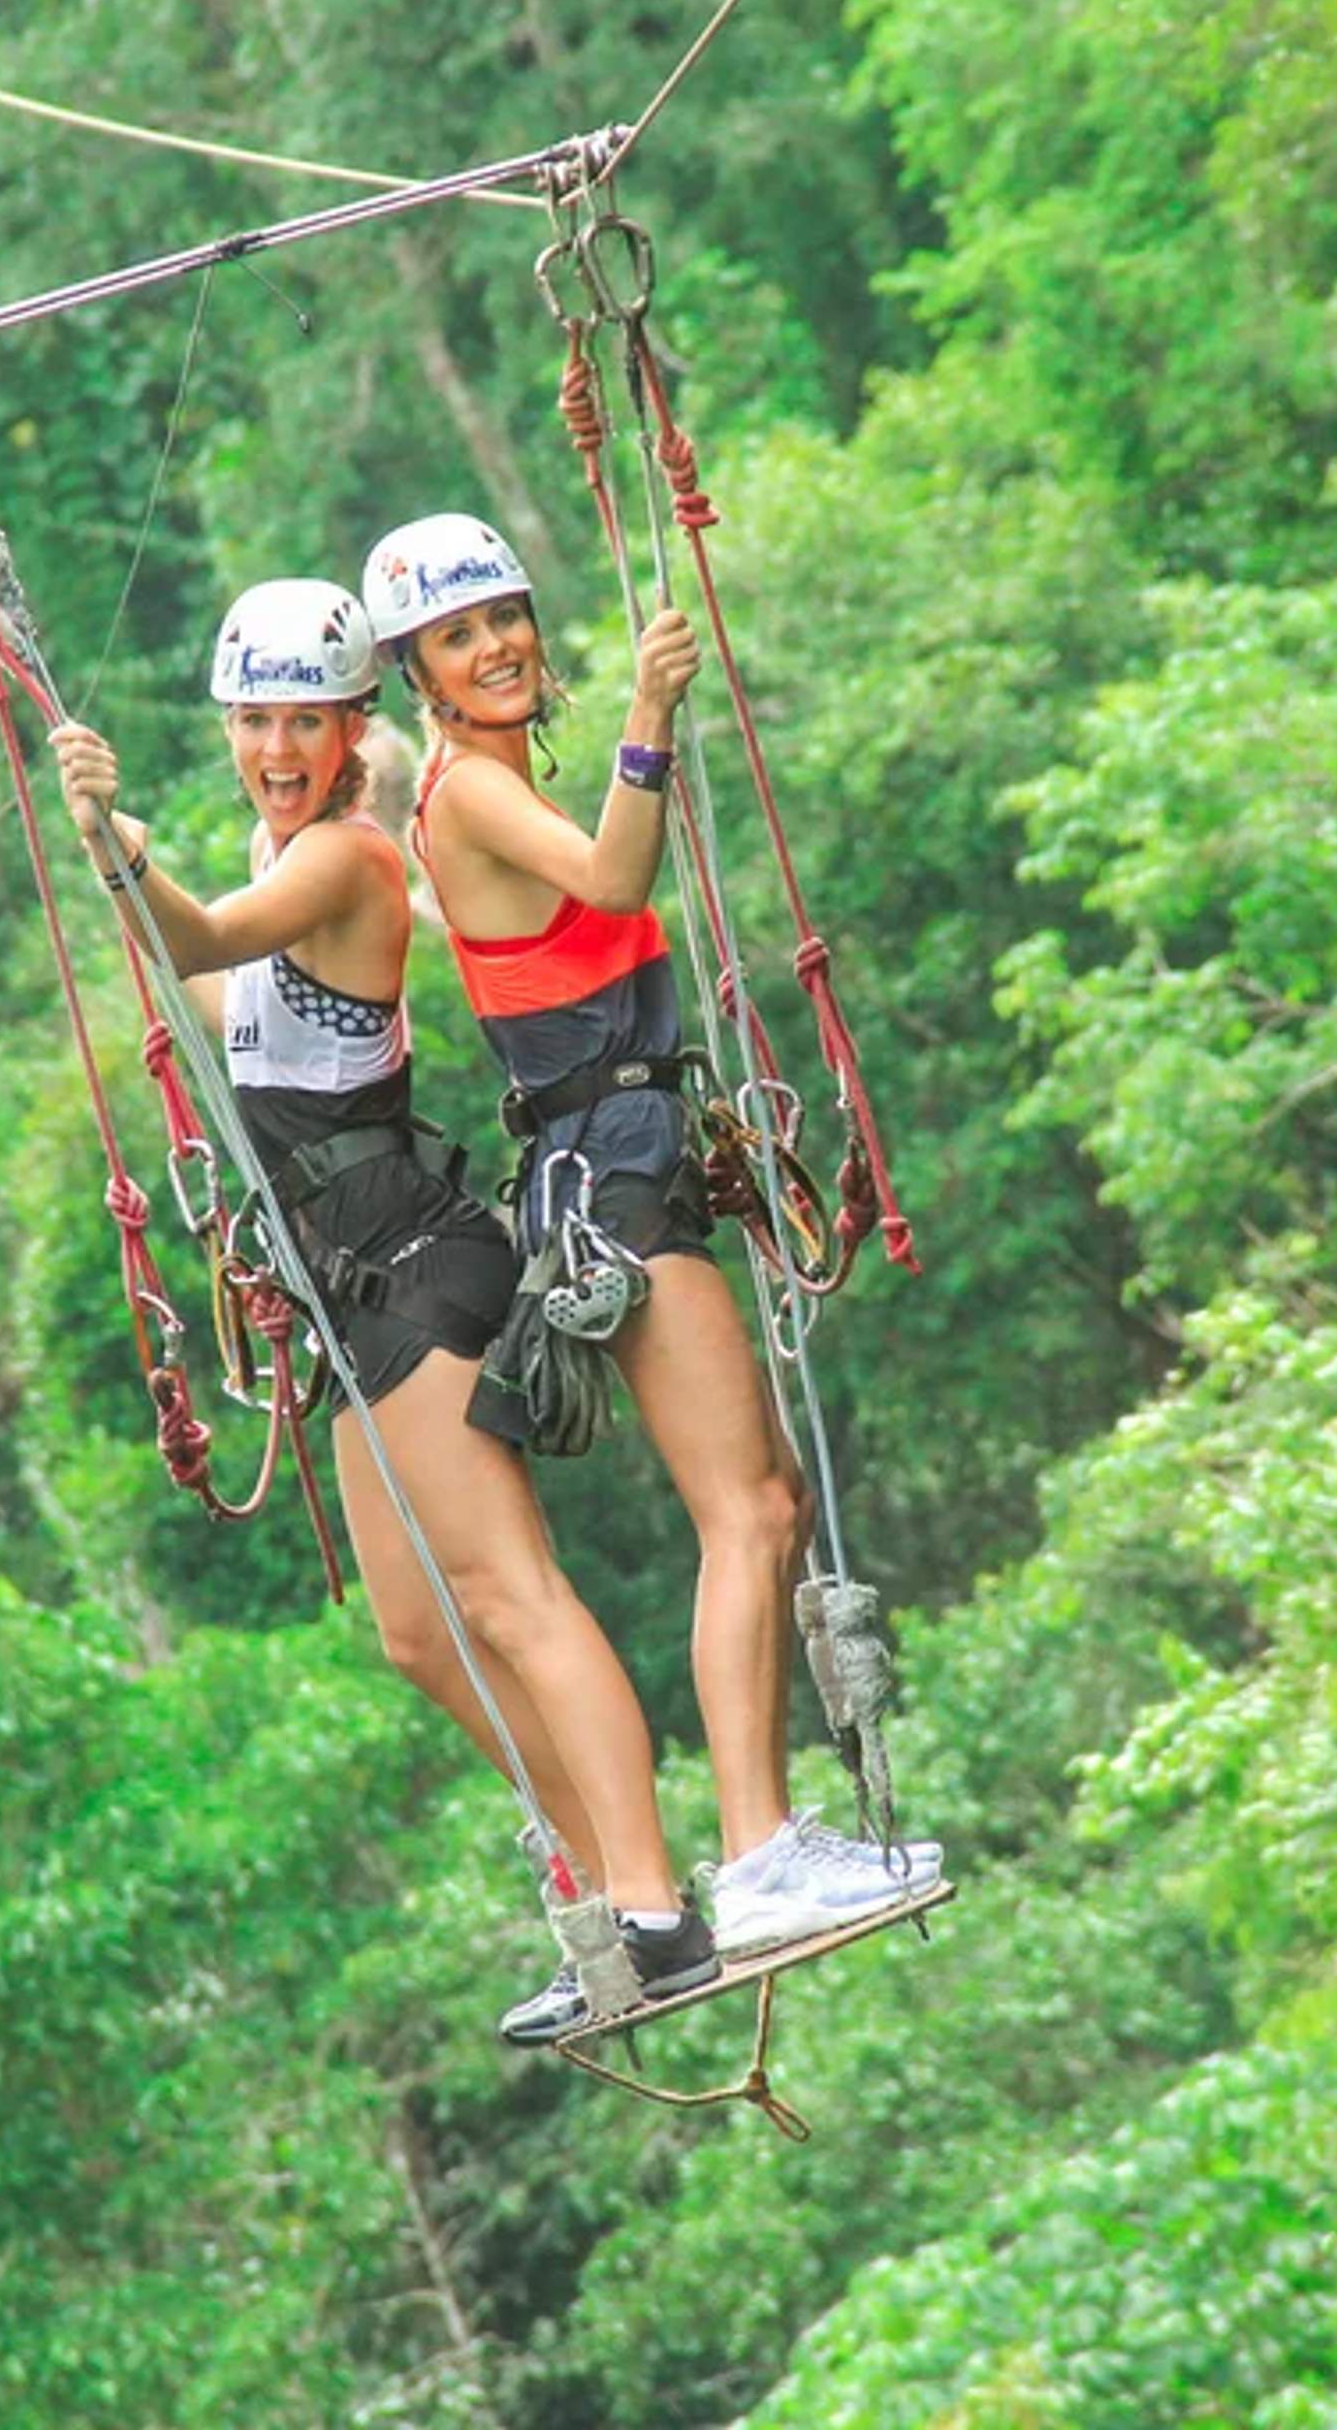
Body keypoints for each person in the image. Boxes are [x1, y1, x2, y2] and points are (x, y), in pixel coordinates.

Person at [47, 580, 714, 2042]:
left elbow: (213, 938)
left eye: (306, 719)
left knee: (512, 1598)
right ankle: (611, 1896)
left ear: (354, 727)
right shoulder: (279, 851)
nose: (279, 746)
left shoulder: (345, 857)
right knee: (420, 1636)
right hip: (346, 1295)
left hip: (410, 1261)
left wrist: (116, 850)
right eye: (255, 721)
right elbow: (228, 1011)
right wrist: (130, 893)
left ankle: (652, 1901)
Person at [364, 514, 942, 1956]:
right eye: (457, 637)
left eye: (502, 618)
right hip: (609, 1163)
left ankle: (762, 1844)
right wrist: (645, 718)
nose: (494, 647)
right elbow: (618, 880)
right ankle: (754, 1853)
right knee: (745, 1509)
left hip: (631, 1148)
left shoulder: (479, 787)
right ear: (421, 676)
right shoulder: (469, 796)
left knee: (765, 1501)